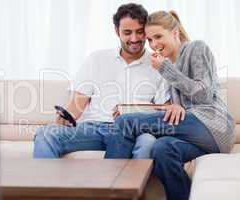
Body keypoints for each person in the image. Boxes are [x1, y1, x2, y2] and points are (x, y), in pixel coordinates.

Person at [114, 10, 235, 200]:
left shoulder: (196, 48)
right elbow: (179, 107)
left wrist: (165, 68)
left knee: (124, 122)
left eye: (158, 37)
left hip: (212, 124)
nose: (154, 44)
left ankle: (112, 191)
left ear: (175, 32)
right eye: (150, 40)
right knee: (162, 149)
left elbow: (202, 94)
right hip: (198, 135)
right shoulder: (170, 63)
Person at [33, 3, 169, 159]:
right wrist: (65, 117)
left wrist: (136, 110)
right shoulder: (97, 59)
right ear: (117, 31)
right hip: (96, 127)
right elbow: (77, 105)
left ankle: (127, 184)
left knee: (148, 142)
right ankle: (46, 184)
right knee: (46, 133)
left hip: (136, 129)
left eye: (139, 32)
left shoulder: (158, 65)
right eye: (127, 32)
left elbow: (163, 111)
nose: (134, 38)